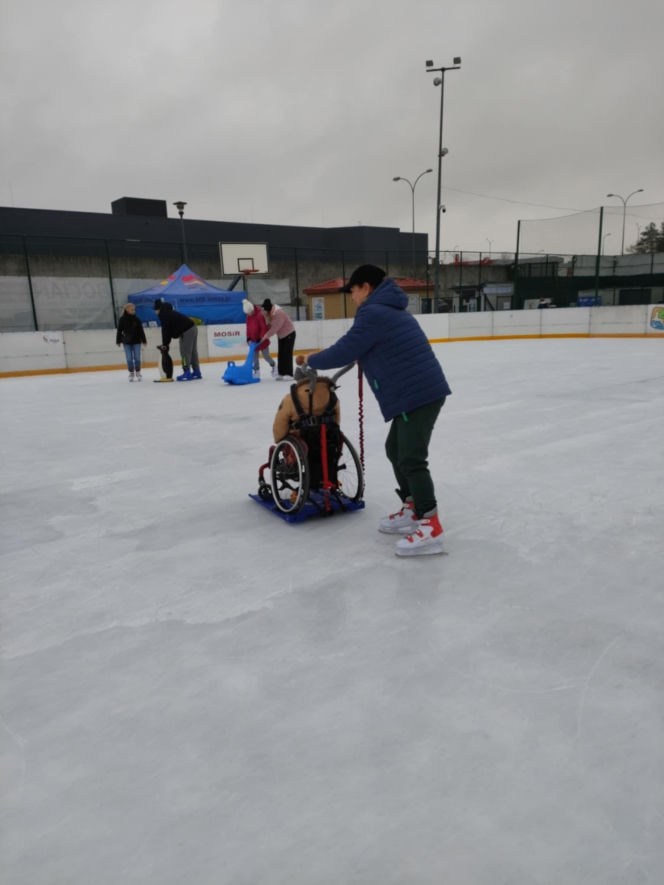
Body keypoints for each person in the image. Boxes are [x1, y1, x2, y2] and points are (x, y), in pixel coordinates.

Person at [298, 264, 451, 557]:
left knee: (411, 457)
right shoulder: (388, 308)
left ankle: (430, 525)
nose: (352, 298)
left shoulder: (373, 312)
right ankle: (412, 508)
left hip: (417, 395)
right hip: (416, 393)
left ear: (365, 287)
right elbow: (375, 345)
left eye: (353, 291)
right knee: (395, 450)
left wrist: (311, 359)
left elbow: (345, 348)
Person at [153, 299, 201, 381]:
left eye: (155, 310)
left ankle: (187, 372)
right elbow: (169, 329)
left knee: (185, 352)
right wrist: (166, 343)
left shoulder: (163, 315)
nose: (155, 312)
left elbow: (165, 330)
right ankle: (196, 371)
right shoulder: (169, 312)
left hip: (186, 331)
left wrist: (165, 344)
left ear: (158, 309)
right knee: (193, 351)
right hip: (192, 327)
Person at [260, 299, 295, 379]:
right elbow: (270, 326)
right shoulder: (271, 314)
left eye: (265, 311)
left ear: (269, 309)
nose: (265, 313)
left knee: (287, 354)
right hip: (282, 336)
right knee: (281, 354)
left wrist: (266, 336)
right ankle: (281, 373)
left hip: (289, 334)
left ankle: (289, 374)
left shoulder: (278, 313)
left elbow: (275, 328)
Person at [243, 299, 276, 377]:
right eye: (247, 313)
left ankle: (274, 366)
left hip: (262, 340)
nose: (249, 314)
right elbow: (248, 328)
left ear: (252, 310)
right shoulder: (248, 317)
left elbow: (263, 328)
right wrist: (248, 338)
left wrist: (261, 337)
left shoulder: (259, 315)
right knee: (254, 357)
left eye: (249, 312)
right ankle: (257, 371)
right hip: (254, 341)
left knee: (266, 356)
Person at [116, 302, 147, 381]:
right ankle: (131, 373)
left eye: (134, 310)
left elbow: (141, 331)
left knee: (137, 358)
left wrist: (144, 340)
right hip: (127, 342)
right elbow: (119, 331)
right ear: (127, 310)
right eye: (132, 310)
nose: (134, 311)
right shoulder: (122, 319)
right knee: (129, 358)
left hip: (137, 341)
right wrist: (118, 340)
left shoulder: (137, 319)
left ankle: (138, 371)